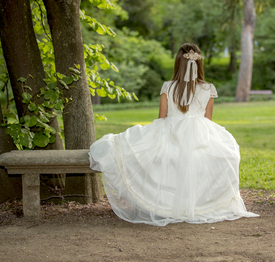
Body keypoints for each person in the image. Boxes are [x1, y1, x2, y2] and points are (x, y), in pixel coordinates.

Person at [89, 43, 258, 226]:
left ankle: (166, 204)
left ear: (178, 64)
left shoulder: (168, 87)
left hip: (170, 129)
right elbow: (208, 120)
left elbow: (162, 117)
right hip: (201, 132)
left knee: (155, 153)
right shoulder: (208, 88)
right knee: (223, 153)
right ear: (199, 64)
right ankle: (200, 204)